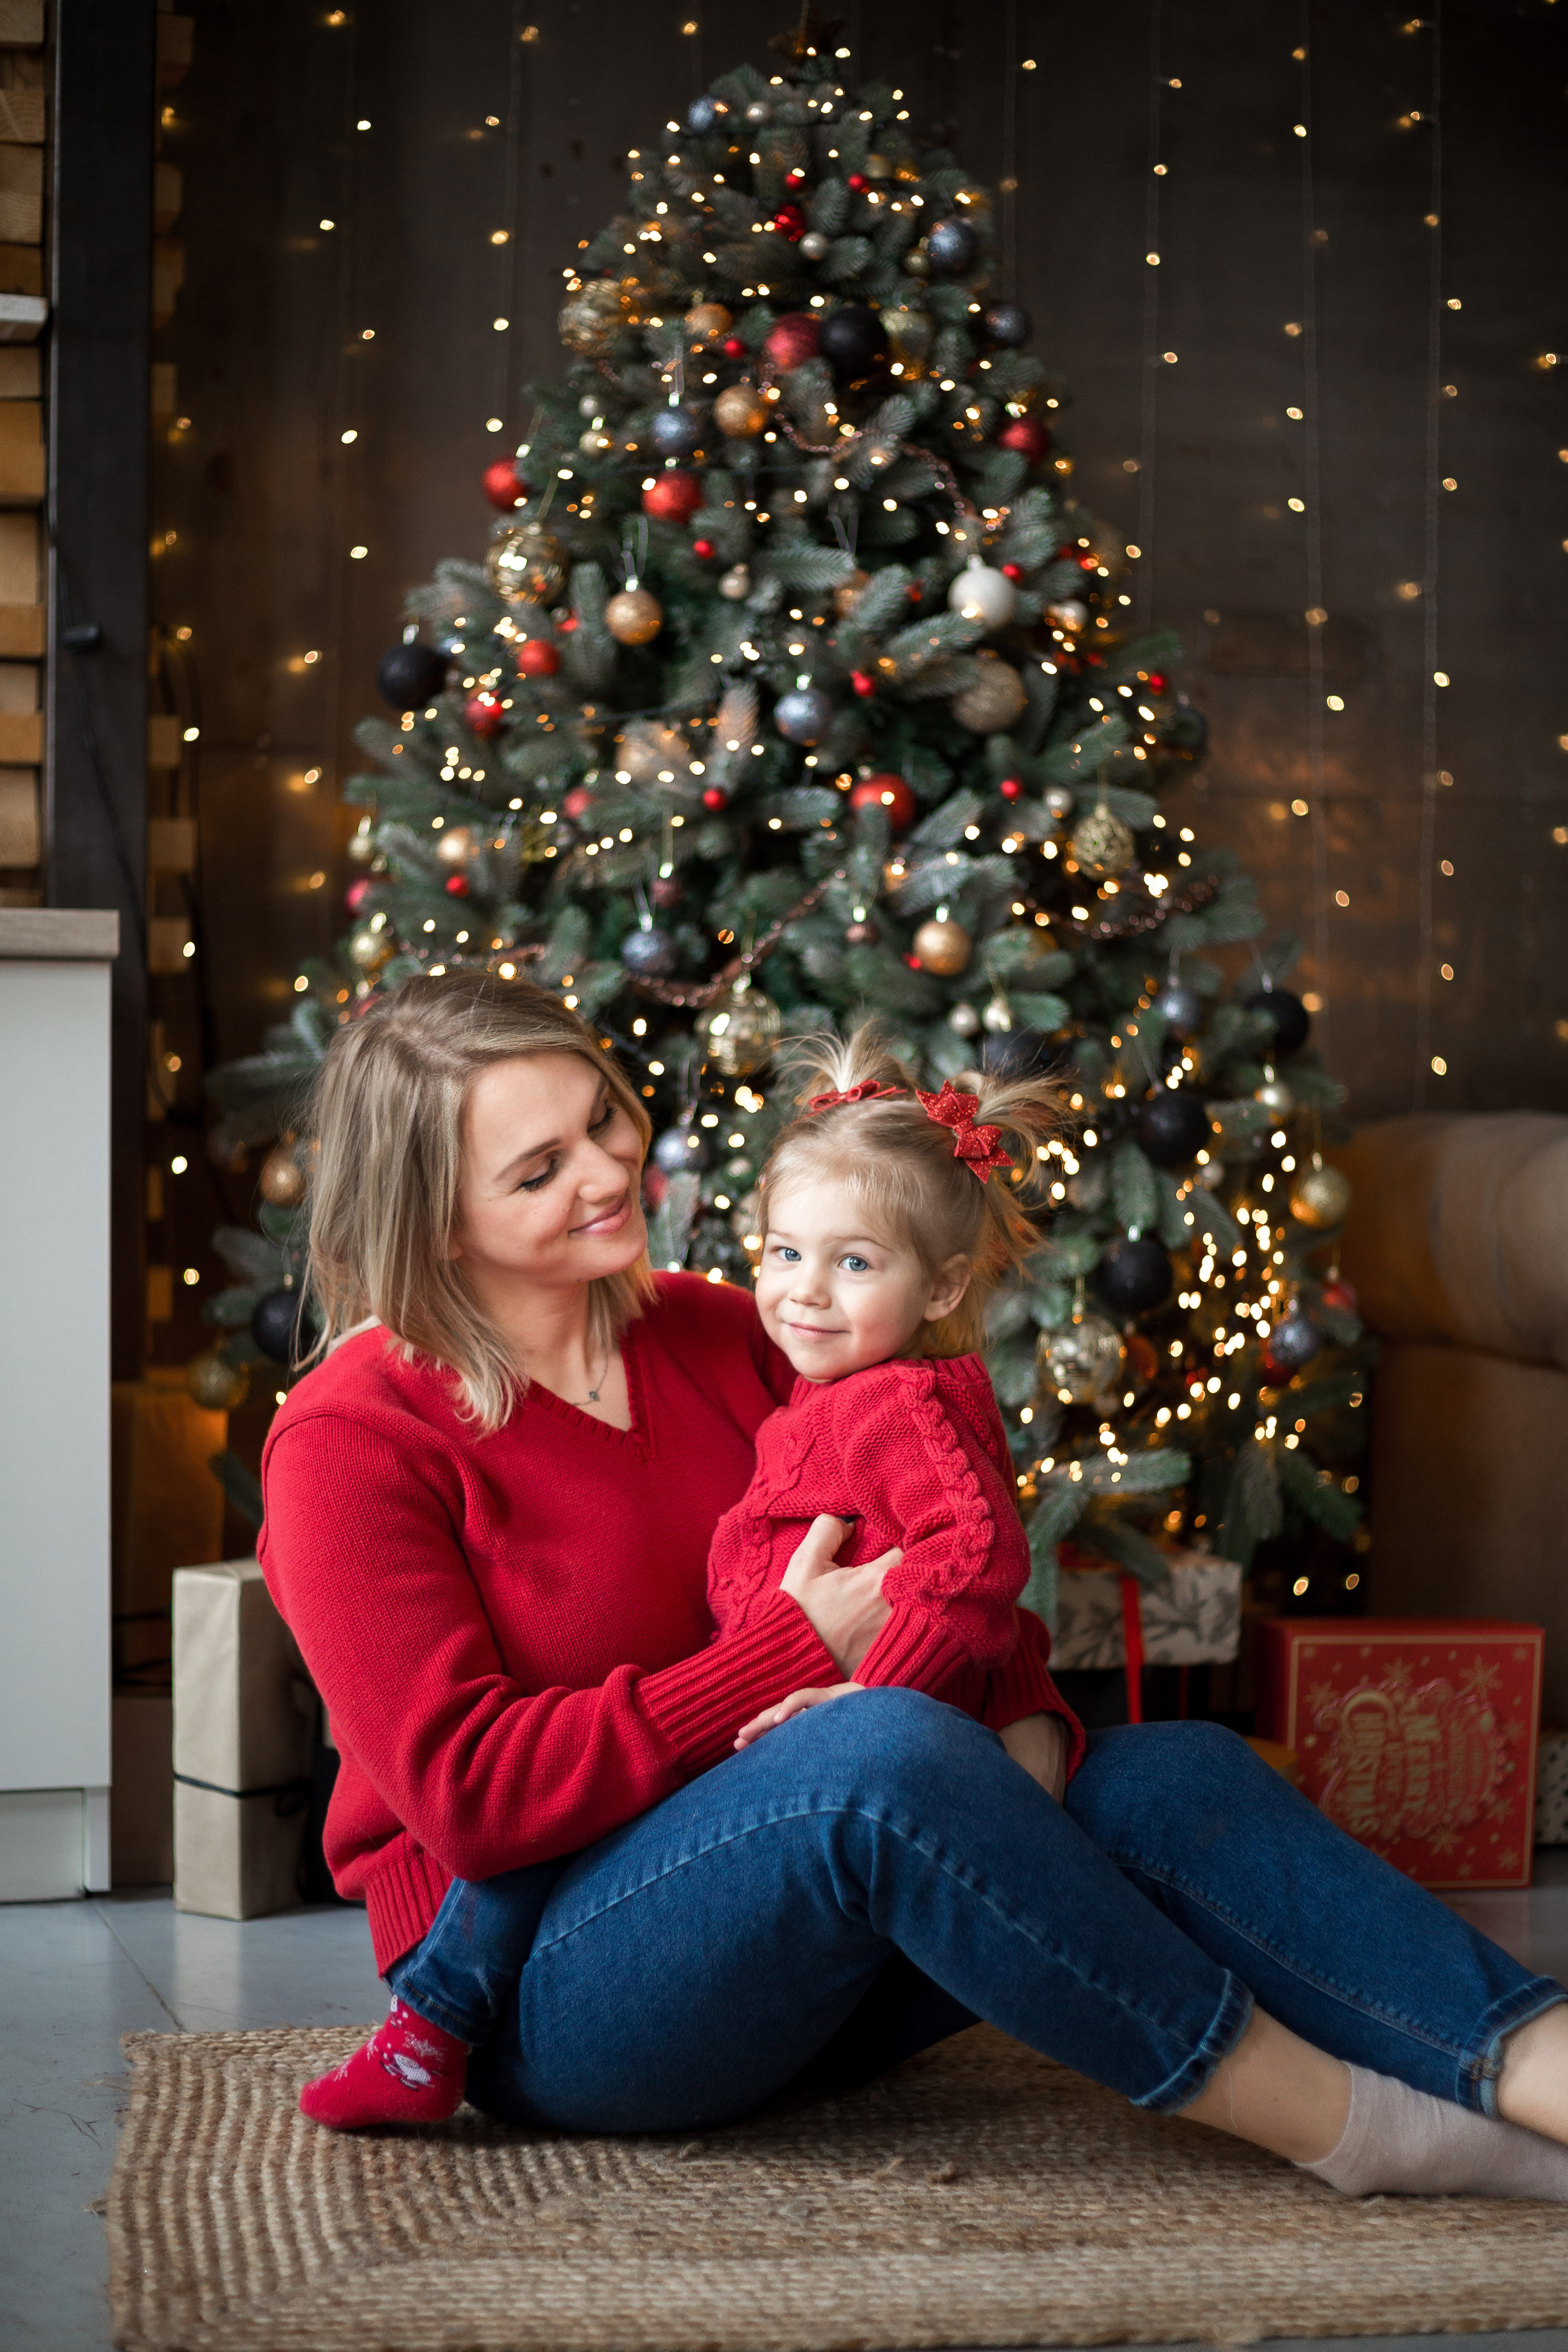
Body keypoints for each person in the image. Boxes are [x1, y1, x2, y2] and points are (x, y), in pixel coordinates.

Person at [263, 971, 1568, 2201]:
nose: (611, 1171)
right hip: (541, 1999)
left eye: (603, 1116)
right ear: (434, 1216)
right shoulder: (351, 1441)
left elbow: (946, 1567)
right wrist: (786, 1654)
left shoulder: (733, 1331)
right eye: (540, 1170)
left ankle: (1534, 2066)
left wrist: (1024, 1742)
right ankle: (1350, 2128)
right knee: (880, 1754)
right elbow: (470, 1801)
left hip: (813, 1942)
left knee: (1168, 1774)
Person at [709, 1026, 1063, 1749]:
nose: (804, 1290)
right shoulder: (834, 1392)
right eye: (785, 1251)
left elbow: (977, 1552)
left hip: (875, 1736)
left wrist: (878, 1692)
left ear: (941, 1288)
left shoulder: (893, 1403)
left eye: (855, 1264)